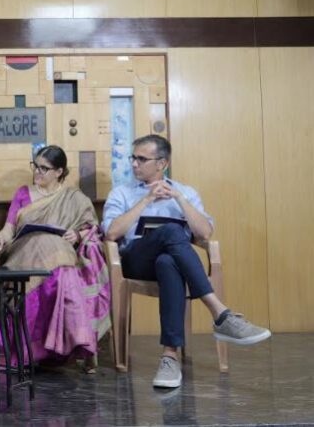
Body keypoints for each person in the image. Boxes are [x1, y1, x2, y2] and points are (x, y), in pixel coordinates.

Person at [103, 134, 271, 388]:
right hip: (135, 261)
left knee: (168, 263)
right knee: (172, 232)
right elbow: (111, 233)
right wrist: (146, 200)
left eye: (142, 159)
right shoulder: (122, 193)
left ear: (162, 163)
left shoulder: (186, 192)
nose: (134, 163)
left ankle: (169, 356)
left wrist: (179, 199)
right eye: (133, 158)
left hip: (170, 263)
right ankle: (219, 312)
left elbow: (204, 233)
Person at [0, 145, 110, 371]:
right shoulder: (23, 193)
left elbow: (91, 228)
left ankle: (73, 342)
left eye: (44, 168)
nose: (37, 172)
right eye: (35, 166)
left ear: (59, 171)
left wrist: (77, 234)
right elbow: (9, 229)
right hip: (24, 252)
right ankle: (47, 347)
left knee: (61, 262)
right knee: (51, 249)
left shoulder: (74, 198)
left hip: (61, 254)